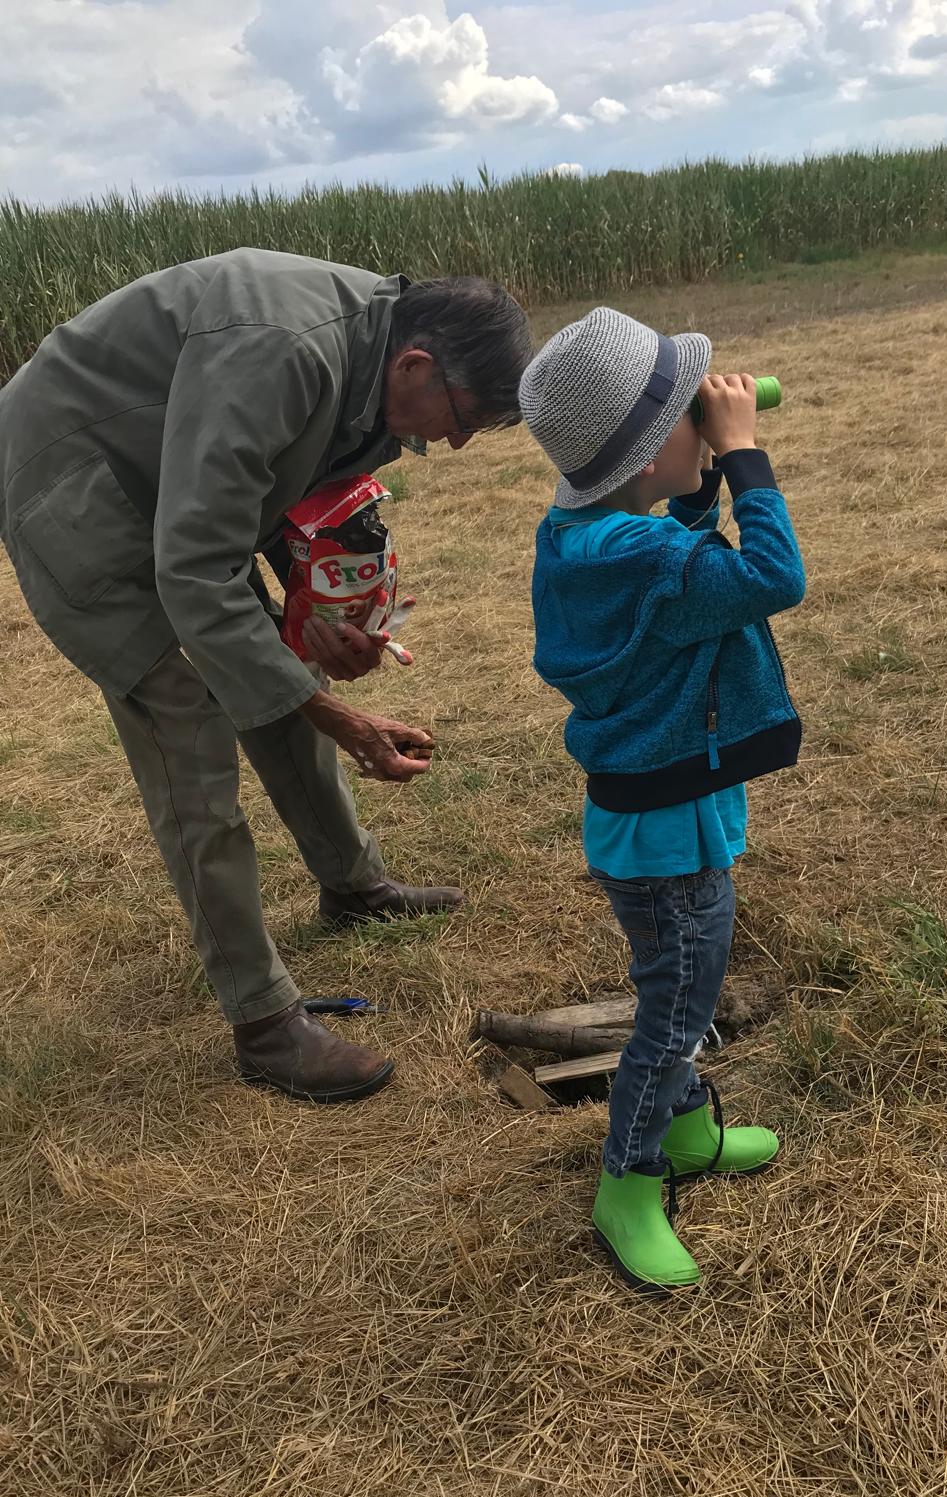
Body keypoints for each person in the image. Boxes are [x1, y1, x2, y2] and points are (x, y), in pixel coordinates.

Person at [0, 249, 533, 1102]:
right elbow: (194, 573)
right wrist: (340, 718)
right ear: (419, 366)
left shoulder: (375, 359)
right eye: (465, 418)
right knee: (187, 715)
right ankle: (262, 1021)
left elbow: (281, 496)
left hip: (172, 496)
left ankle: (353, 886)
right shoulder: (285, 347)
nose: (459, 442)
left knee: (267, 666)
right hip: (78, 484)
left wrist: (315, 619)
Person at [520, 308, 806, 1292]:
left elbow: (680, 572)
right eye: (695, 413)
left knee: (677, 992)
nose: (711, 420)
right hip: (667, 840)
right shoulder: (647, 559)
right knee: (674, 1015)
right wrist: (748, 456)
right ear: (651, 458)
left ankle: (687, 1136)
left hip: (649, 810)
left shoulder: (585, 539)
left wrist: (704, 472)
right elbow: (771, 575)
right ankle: (628, 1186)